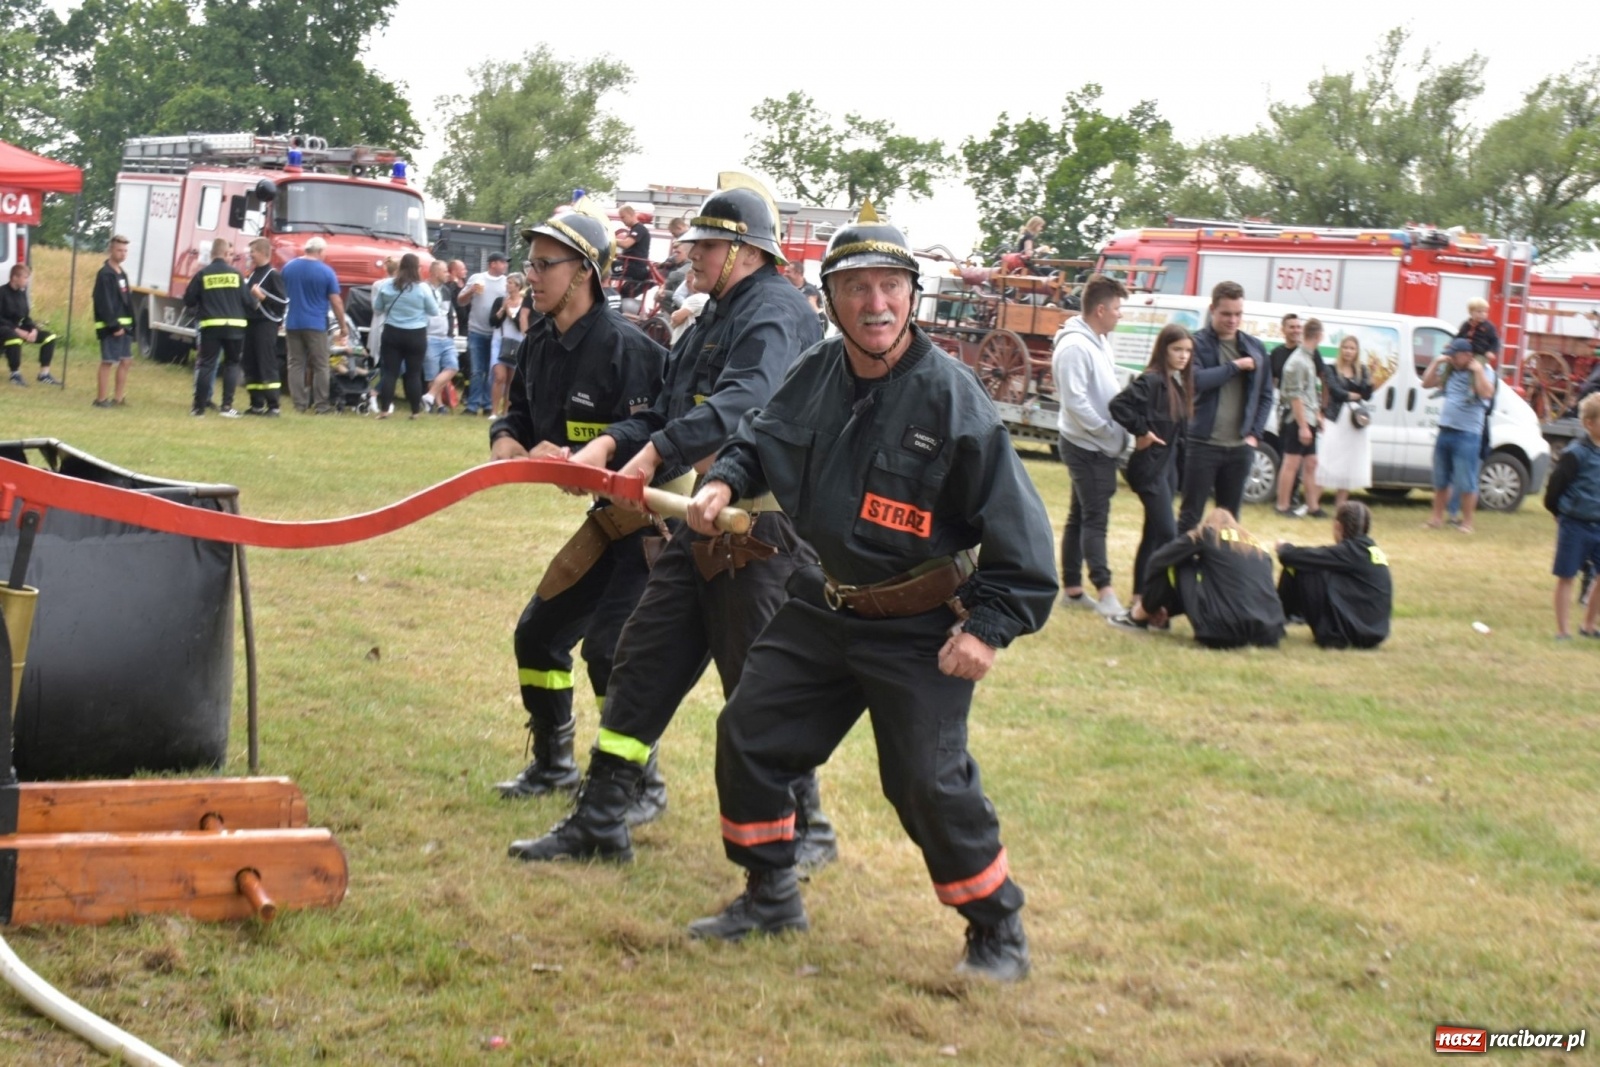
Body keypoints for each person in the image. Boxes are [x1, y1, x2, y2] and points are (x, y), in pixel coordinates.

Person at [681, 204, 1056, 981]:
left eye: (891, 285)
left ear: (913, 297)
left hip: (920, 622)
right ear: (831, 299)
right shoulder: (814, 374)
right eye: (858, 288)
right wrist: (724, 478)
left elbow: (1020, 532)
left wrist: (986, 626)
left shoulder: (953, 399)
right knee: (749, 733)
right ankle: (770, 892)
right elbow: (758, 438)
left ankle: (996, 928)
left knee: (924, 780)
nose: (876, 303)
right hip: (825, 603)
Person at [507, 176, 837, 872]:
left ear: (745, 251)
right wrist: (613, 445)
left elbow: (747, 400)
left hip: (762, 532)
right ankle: (602, 818)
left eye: (707, 247)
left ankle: (808, 826)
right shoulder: (716, 315)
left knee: (760, 684)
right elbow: (661, 405)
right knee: (640, 661)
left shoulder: (775, 312)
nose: (693, 257)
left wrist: (654, 452)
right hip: (702, 525)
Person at [487, 206, 669, 803]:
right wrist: (508, 443)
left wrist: (585, 454)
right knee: (539, 637)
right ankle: (553, 766)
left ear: (585, 272)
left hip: (652, 527)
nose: (530, 276)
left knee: (612, 651)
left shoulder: (631, 350)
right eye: (529, 263)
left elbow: (657, 428)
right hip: (606, 522)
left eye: (544, 265)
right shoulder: (540, 341)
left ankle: (640, 786)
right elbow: (519, 416)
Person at [1053, 273, 1132, 616]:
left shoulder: (1098, 341)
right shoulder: (1074, 347)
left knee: (1079, 515)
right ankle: (1106, 592)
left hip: (1096, 444)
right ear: (1100, 310)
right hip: (1086, 446)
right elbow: (1076, 402)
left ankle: (1071, 590)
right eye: (1117, 308)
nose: (1120, 314)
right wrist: (1107, 433)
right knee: (1094, 518)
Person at [1108, 507, 1285, 648]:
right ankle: (1158, 613)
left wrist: (1150, 603)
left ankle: (1138, 616)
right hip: (1269, 632)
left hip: (1222, 631)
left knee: (1178, 562)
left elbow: (1158, 560)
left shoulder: (1207, 533)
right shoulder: (1260, 549)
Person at [1109, 322, 1192, 619]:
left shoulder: (1176, 385)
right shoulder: (1152, 381)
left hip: (1167, 470)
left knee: (1153, 535)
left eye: (1187, 351)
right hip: (1149, 469)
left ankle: (1140, 597)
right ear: (1163, 350)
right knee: (1168, 535)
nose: (1183, 356)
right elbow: (1119, 405)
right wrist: (1142, 431)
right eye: (1177, 350)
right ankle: (1157, 605)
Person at [1177, 281, 1273, 533]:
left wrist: (1254, 435)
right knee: (1190, 516)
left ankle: (1222, 571)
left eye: (1238, 314)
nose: (1233, 320)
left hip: (1239, 449)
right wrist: (1235, 366)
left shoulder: (1256, 348)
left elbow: (1265, 396)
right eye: (1226, 314)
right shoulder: (1196, 343)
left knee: (1230, 522)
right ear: (1213, 310)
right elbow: (1195, 381)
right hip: (1203, 445)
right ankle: (1180, 570)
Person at [1275, 501, 1392, 649]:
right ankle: (1290, 616)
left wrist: (1284, 547)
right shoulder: (1369, 550)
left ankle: (1276, 619)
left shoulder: (1350, 552)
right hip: (1374, 633)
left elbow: (1291, 556)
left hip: (1343, 635)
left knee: (1298, 566)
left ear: (1338, 526)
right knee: (1314, 565)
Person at [1423, 338, 1496, 533]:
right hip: (1445, 430)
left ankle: (1467, 523)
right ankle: (1436, 518)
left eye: (1455, 355)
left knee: (1466, 480)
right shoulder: (1450, 371)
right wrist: (1437, 362)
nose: (1452, 358)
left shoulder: (1484, 370)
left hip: (1467, 434)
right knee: (1441, 479)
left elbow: (1487, 393)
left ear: (1467, 355)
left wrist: (1478, 371)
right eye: (1451, 355)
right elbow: (1426, 383)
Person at [1545, 393, 1600, 639]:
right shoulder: (1575, 453)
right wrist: (1559, 513)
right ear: (1589, 423)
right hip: (1574, 523)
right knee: (1566, 575)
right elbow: (1554, 488)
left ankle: (1588, 625)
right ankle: (1562, 630)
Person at [183, 237, 255, 417]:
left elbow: (189, 300)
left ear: (212, 254)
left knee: (206, 365)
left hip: (211, 326)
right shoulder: (236, 275)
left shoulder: (203, 274)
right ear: (224, 253)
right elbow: (248, 301)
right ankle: (226, 407)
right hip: (235, 327)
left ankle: (198, 408)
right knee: (232, 364)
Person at [281, 237, 349, 414]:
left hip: (293, 322)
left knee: (295, 364)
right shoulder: (326, 272)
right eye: (325, 252)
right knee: (321, 365)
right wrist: (343, 326)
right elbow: (336, 301)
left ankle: (299, 404)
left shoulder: (289, 267)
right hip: (316, 324)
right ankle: (321, 405)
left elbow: (283, 294)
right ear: (319, 251)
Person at [370, 253, 440, 420]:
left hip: (392, 332)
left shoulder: (387, 285)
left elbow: (377, 308)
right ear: (417, 268)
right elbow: (434, 311)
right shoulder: (422, 288)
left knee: (390, 373)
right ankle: (415, 411)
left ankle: (384, 410)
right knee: (414, 374)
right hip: (416, 334)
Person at [1318, 334, 1374, 509]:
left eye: (1352, 348)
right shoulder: (1331, 369)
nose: (1348, 351)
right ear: (1340, 349)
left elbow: (1367, 394)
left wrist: (1370, 379)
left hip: (1355, 421)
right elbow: (1336, 391)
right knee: (1328, 461)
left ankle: (1341, 506)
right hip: (1336, 418)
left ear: (1356, 352)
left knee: (1349, 463)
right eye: (1345, 347)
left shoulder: (1362, 370)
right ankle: (1313, 504)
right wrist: (1354, 395)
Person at [1275, 317, 1323, 518]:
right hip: (1296, 418)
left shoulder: (1308, 358)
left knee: (1311, 462)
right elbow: (1295, 396)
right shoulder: (1297, 361)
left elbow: (1310, 392)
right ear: (1319, 336)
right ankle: (1282, 506)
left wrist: (1317, 416)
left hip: (1309, 416)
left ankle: (1313, 507)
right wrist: (1303, 426)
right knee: (1291, 463)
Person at [242, 237, 288, 416]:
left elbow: (282, 302)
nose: (250, 255)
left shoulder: (272, 274)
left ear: (261, 252)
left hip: (265, 325)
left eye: (252, 251)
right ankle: (256, 403)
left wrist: (263, 297)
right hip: (251, 323)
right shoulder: (253, 273)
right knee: (250, 362)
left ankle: (273, 405)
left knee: (265, 363)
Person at [458, 252, 508, 415]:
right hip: (476, 331)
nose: (505, 265)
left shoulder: (507, 283)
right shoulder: (477, 279)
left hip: (496, 333)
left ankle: (487, 405)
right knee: (477, 370)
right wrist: (470, 291)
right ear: (493, 264)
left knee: (492, 371)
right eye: (502, 262)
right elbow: (461, 300)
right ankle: (472, 405)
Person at [91, 235, 135, 408]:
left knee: (126, 361)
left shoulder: (121, 273)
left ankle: (118, 398)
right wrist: (113, 325)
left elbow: (126, 300)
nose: (123, 254)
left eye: (125, 251)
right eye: (119, 250)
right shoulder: (105, 274)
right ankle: (101, 399)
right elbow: (103, 302)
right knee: (108, 361)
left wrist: (131, 324)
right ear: (111, 250)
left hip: (125, 326)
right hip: (111, 327)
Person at [1, 263, 58, 387]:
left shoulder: (22, 294)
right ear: (15, 278)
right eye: (25, 277)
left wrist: (33, 329)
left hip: (18, 328)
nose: (27, 281)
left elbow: (26, 317)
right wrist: (18, 331)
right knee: (14, 339)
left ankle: (44, 374)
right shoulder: (2, 292)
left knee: (50, 337)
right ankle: (15, 374)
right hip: (3, 329)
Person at [421, 260, 460, 413]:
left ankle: (429, 396)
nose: (448, 274)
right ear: (435, 272)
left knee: (453, 367)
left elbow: (449, 313)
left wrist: (450, 333)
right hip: (429, 336)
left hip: (446, 337)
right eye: (444, 271)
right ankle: (438, 405)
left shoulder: (446, 291)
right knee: (432, 373)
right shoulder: (423, 289)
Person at [488, 273, 527, 417]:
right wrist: (502, 310)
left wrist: (511, 313)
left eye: (510, 283)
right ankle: (493, 411)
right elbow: (492, 322)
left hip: (517, 342)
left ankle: (506, 412)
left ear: (518, 286)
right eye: (507, 282)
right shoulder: (500, 300)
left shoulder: (525, 303)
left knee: (511, 380)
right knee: (499, 376)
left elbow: (521, 325)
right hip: (499, 340)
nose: (507, 285)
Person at [615, 204, 653, 299]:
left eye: (623, 217)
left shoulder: (639, 229)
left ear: (631, 214)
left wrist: (610, 239)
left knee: (604, 268)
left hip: (634, 267)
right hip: (630, 265)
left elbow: (626, 244)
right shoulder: (633, 230)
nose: (622, 220)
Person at [1268, 312, 1302, 387]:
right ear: (1283, 330)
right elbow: (1270, 380)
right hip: (1281, 397)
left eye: (1298, 327)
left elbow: (1323, 376)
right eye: (1292, 327)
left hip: (1303, 398)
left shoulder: (1308, 352)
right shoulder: (1276, 353)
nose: (1296, 330)